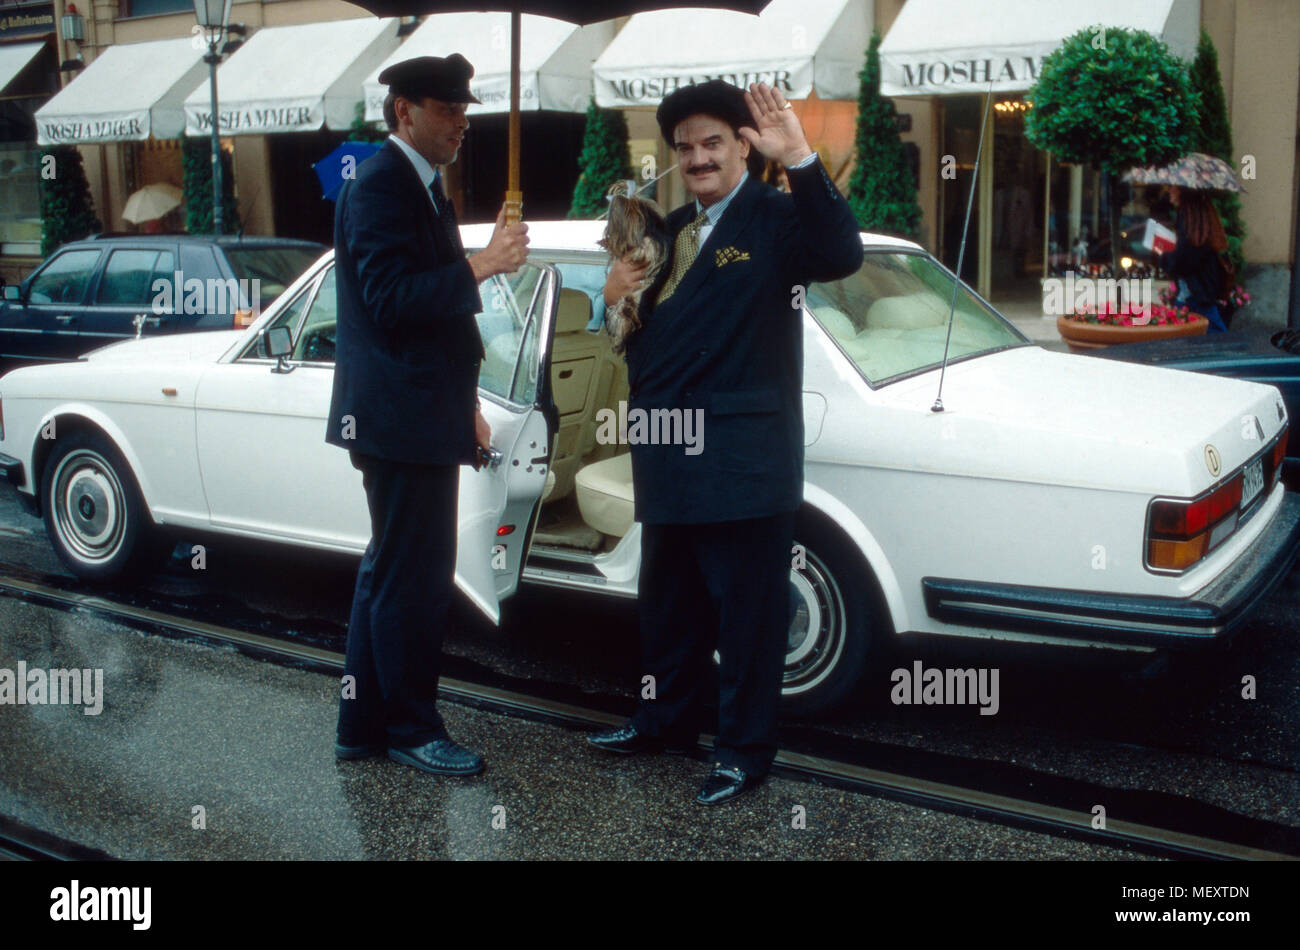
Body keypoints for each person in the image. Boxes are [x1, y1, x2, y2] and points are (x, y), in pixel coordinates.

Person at [586, 79, 863, 805]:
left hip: (742, 461)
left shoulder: (778, 220)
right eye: (686, 146)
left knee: (747, 618)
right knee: (669, 609)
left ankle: (743, 751)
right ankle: (664, 722)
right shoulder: (668, 231)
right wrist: (611, 296)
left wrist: (800, 155)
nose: (699, 157)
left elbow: (842, 253)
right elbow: (632, 337)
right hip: (666, 453)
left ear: (743, 144)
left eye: (714, 142)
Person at [326, 54, 529, 776]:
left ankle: (363, 725)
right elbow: (390, 301)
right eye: (448, 109)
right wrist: (484, 263)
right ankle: (412, 728)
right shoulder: (382, 184)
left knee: (389, 570)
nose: (463, 121)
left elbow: (433, 319)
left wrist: (466, 402)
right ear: (405, 111)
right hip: (397, 417)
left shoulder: (419, 186)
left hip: (417, 410)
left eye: (466, 109)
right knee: (411, 577)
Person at [1156, 184, 1234, 332]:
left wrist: (1164, 255)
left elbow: (1184, 260)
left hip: (1195, 295)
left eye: (1173, 187)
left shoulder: (1189, 218)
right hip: (1198, 292)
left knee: (1212, 338)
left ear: (1183, 191)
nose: (1169, 191)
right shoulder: (1200, 215)